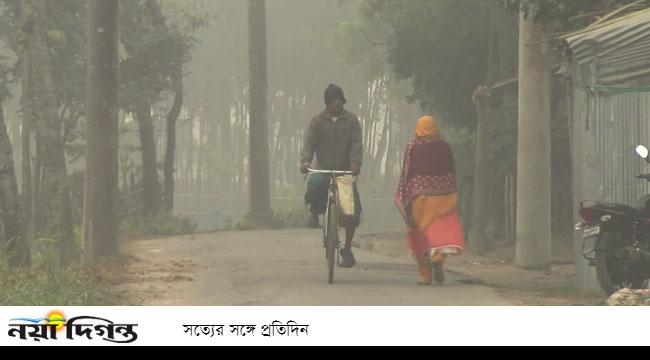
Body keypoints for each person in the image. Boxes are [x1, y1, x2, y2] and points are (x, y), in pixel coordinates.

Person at [395, 116, 465, 285]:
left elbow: (407, 172)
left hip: (421, 199)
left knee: (421, 233)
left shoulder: (413, 147)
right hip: (444, 198)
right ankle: (439, 257)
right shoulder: (445, 147)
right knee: (441, 231)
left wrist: (404, 194)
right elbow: (452, 171)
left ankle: (426, 276)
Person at [300, 84, 363, 268]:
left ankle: (347, 248)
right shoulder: (317, 122)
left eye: (340, 101)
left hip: (344, 171)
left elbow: (356, 145)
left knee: (350, 211)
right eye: (335, 101)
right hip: (324, 168)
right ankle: (314, 212)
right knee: (314, 184)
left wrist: (355, 164)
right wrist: (305, 162)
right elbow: (309, 143)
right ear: (328, 103)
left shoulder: (351, 121)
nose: (338, 104)